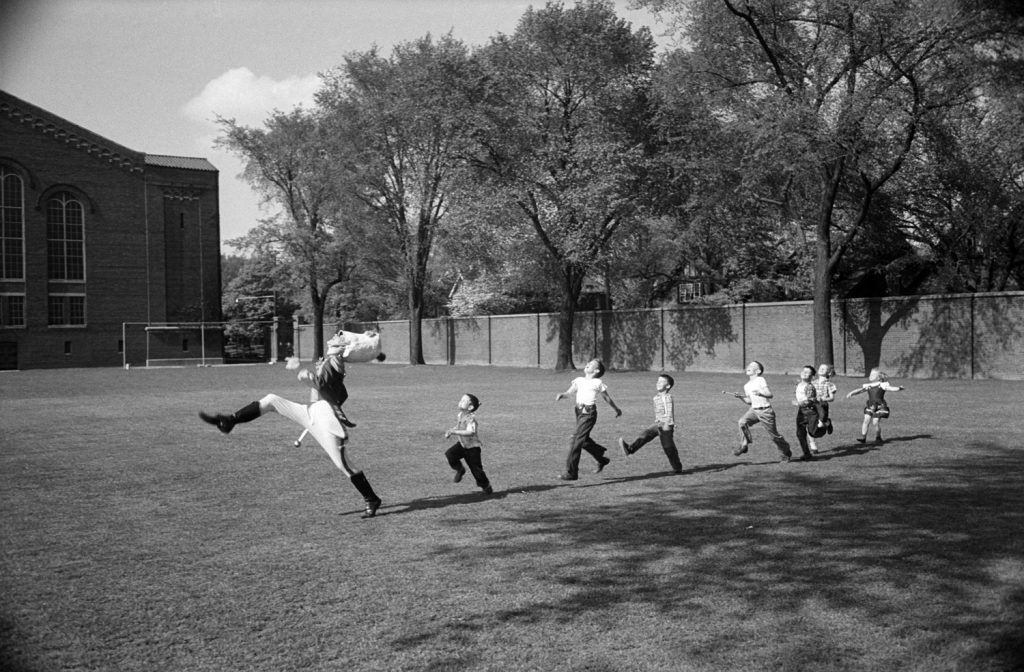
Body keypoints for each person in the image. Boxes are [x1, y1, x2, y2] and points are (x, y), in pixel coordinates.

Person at [197, 330, 382, 519]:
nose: (333, 337)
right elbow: (339, 393)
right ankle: (230, 420)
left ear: (343, 346)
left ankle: (371, 499)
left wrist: (303, 375)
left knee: (345, 465)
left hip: (324, 418)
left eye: (338, 337)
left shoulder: (334, 363)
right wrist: (310, 379)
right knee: (271, 401)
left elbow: (321, 384)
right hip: (311, 411)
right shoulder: (331, 363)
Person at [555, 358, 622, 481]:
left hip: (589, 414)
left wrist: (616, 409)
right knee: (582, 440)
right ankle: (601, 457)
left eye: (591, 364)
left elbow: (607, 398)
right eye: (588, 363)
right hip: (579, 412)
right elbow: (569, 392)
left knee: (575, 441)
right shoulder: (578, 380)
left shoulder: (597, 382)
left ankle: (571, 472)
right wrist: (562, 395)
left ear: (596, 370)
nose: (587, 364)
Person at [724, 360, 793, 462]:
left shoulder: (760, 379)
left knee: (774, 436)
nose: (749, 366)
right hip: (754, 410)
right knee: (742, 422)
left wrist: (761, 393)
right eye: (749, 365)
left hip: (765, 411)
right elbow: (749, 401)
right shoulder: (746, 385)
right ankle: (744, 445)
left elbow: (770, 395)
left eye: (752, 366)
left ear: (758, 371)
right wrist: (740, 397)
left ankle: (786, 451)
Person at [617, 373, 683, 474]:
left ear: (668, 386)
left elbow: (669, 410)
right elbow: (659, 411)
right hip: (658, 423)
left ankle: (677, 468)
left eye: (661, 382)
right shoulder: (656, 397)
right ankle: (630, 449)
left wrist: (669, 422)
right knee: (646, 434)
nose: (658, 383)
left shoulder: (667, 397)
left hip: (666, 425)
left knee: (668, 448)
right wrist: (657, 419)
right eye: (657, 381)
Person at [444, 393, 493, 495]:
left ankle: (486, 486)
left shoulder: (471, 419)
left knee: (476, 470)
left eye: (463, 401)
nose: (460, 402)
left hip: (472, 449)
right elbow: (459, 426)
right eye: (460, 400)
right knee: (450, 454)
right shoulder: (460, 415)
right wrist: (451, 430)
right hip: (462, 445)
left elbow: (470, 432)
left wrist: (455, 432)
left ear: (470, 407)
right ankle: (460, 469)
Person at [846, 368, 905, 445]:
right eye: (870, 374)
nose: (871, 376)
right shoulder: (868, 385)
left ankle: (878, 437)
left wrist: (898, 388)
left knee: (875, 422)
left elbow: (891, 388)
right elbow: (860, 390)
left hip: (880, 406)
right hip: (870, 405)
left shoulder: (883, 385)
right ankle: (863, 438)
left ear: (878, 377)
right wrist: (852, 393)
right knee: (866, 420)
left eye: (873, 375)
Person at [791, 365, 823, 461]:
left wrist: (799, 403)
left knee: (813, 433)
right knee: (800, 433)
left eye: (807, 372)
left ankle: (826, 424)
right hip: (801, 412)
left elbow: (810, 400)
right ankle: (806, 454)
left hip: (810, 412)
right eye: (803, 371)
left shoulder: (810, 387)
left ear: (812, 376)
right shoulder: (798, 385)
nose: (804, 373)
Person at [813, 363, 838, 438]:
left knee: (820, 424)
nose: (821, 369)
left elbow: (832, 398)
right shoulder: (813, 383)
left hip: (822, 405)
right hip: (813, 404)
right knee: (813, 422)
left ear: (829, 372)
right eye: (820, 368)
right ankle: (814, 436)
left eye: (824, 369)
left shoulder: (829, 384)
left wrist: (824, 398)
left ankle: (827, 422)